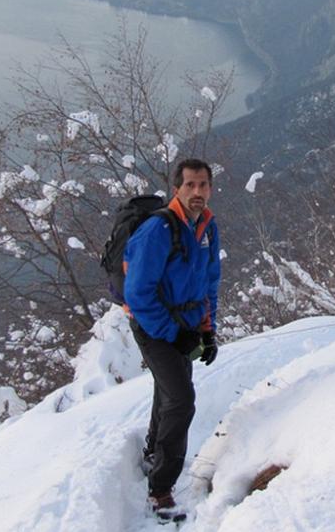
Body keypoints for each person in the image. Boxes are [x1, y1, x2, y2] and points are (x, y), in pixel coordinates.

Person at [124, 158, 221, 523]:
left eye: (203, 185)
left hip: (185, 321)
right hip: (153, 324)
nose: (197, 192)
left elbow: (209, 281)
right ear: (177, 189)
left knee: (170, 390)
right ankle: (160, 491)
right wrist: (174, 334)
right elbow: (138, 295)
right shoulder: (157, 230)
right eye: (190, 185)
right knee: (181, 399)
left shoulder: (207, 227)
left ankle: (153, 451)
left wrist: (207, 330)